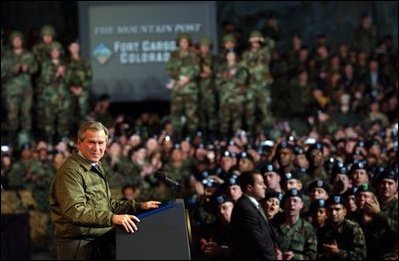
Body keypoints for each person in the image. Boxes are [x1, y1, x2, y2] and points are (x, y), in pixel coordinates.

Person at [49, 121, 161, 260]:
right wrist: (112, 218)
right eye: (91, 142)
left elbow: (105, 204)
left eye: (101, 143)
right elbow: (75, 212)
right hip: (78, 246)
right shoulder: (70, 172)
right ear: (79, 143)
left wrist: (139, 206)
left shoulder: (95, 164)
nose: (97, 148)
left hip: (98, 242)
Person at [229, 170, 278, 260]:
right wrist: (274, 257)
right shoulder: (245, 208)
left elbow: (266, 235)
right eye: (260, 184)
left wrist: (276, 249)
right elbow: (257, 241)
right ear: (249, 188)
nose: (265, 186)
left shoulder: (252, 205)